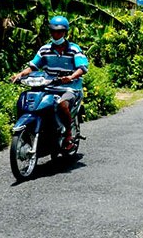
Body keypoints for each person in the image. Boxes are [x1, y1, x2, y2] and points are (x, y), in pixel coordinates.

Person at [11, 15, 88, 150]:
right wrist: (20, 75)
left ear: (65, 32)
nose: (56, 34)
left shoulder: (74, 49)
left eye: (59, 32)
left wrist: (70, 77)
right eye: (53, 31)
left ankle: (68, 135)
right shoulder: (44, 49)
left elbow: (82, 68)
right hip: (48, 87)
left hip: (69, 88)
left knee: (63, 104)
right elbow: (33, 66)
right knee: (26, 100)